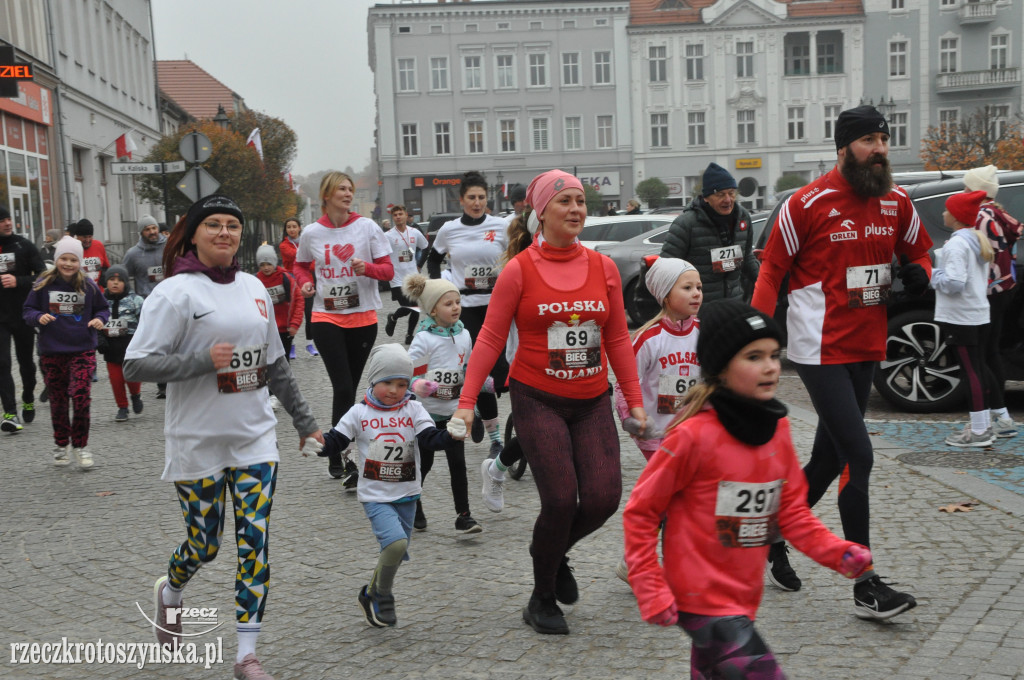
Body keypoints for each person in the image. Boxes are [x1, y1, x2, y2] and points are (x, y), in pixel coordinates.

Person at [122, 194, 323, 680]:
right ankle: (170, 591)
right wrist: (199, 361)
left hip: (255, 438)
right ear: (192, 233)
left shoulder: (255, 286)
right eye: (213, 224)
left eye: (232, 225)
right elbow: (135, 363)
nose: (224, 233)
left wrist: (304, 422)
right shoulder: (175, 293)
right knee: (205, 544)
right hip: (197, 439)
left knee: (254, 542)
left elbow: (273, 362)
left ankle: (246, 655)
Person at [623, 299, 872, 678]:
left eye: (774, 354)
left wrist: (837, 552)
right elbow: (641, 510)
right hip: (700, 597)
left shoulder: (778, 430)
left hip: (742, 596)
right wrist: (649, 583)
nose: (771, 366)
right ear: (721, 368)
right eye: (753, 357)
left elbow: (790, 512)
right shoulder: (693, 436)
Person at [751, 104, 931, 616]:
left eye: (884, 138)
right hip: (818, 346)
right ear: (843, 147)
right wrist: (752, 343)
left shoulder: (896, 201)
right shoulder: (806, 203)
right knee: (859, 455)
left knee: (829, 458)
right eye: (868, 140)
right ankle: (865, 582)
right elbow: (771, 274)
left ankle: (771, 535)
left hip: (867, 343)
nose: (879, 149)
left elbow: (918, 251)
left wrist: (920, 271)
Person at [452, 169, 648, 635]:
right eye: (565, 202)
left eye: (581, 201)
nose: (577, 209)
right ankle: (540, 598)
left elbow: (618, 337)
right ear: (541, 213)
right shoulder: (520, 269)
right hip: (537, 396)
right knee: (560, 500)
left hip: (592, 399)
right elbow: (490, 339)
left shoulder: (602, 269)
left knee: (602, 498)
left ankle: (552, 550)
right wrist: (465, 402)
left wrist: (634, 401)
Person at [318, 343, 459, 628]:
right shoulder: (358, 413)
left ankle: (369, 592)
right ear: (373, 380)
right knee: (394, 545)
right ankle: (383, 594)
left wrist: (451, 436)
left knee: (394, 549)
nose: (394, 390)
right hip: (375, 496)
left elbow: (430, 438)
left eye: (401, 384)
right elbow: (336, 440)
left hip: (407, 493)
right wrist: (318, 444)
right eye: (387, 383)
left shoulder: (414, 408)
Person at [292, 172, 393, 481]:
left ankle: (339, 449)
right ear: (327, 195)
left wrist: (369, 268)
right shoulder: (311, 233)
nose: (348, 194)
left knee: (350, 384)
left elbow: (388, 271)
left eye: (350, 189)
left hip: (363, 319)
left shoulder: (367, 228)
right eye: (342, 189)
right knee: (344, 387)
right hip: (326, 317)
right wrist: (306, 282)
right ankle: (341, 453)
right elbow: (299, 265)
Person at [611, 257, 703, 582]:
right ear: (665, 295)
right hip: (655, 432)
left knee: (673, 498)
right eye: (687, 287)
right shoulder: (648, 338)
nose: (696, 294)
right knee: (671, 497)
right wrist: (632, 419)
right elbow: (627, 383)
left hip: (690, 434)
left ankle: (633, 559)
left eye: (699, 287)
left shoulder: (704, 334)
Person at [427, 171, 509, 457]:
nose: (477, 203)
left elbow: (518, 258)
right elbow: (433, 259)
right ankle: (496, 438)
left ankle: (473, 402)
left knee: (502, 372)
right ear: (461, 200)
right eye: (472, 198)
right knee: (481, 371)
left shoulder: (501, 226)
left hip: (498, 305)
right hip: (467, 309)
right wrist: (439, 293)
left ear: (488, 199)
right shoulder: (450, 230)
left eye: (482, 198)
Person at [403, 273, 484, 534]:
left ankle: (464, 516)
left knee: (457, 465)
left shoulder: (465, 335)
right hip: (426, 414)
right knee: (423, 465)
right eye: (448, 304)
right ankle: (413, 502)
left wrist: (475, 408)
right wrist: (420, 385)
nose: (456, 307)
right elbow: (408, 372)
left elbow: (469, 371)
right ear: (433, 309)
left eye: (457, 302)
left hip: (454, 412)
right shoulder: (423, 338)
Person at [22, 236, 109, 468]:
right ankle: (61, 444)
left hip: (82, 350)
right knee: (58, 401)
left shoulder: (88, 286)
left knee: (81, 397)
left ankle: (80, 445)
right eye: (64, 259)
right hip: (52, 351)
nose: (68, 264)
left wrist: (100, 320)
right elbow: (28, 310)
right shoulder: (43, 284)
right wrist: (38, 317)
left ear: (79, 262)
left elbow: (103, 308)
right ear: (56, 259)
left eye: (73, 259)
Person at [933, 191, 996, 446]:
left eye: (947, 210)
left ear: (957, 217)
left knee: (970, 373)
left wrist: (933, 274)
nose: (943, 213)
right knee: (978, 370)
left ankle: (980, 431)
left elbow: (955, 283)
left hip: (961, 317)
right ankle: (984, 424)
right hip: (978, 314)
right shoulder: (975, 239)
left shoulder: (957, 244)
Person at [964, 165, 1022, 438]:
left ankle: (994, 416)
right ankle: (1001, 416)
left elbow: (977, 256)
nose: (963, 192)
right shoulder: (998, 211)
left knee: (979, 356)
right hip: (1003, 289)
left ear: (976, 191)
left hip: (986, 292)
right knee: (991, 352)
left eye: (966, 187)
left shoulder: (980, 216)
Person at [658, 163, 758, 302]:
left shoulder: (743, 218)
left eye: (731, 193)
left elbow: (747, 257)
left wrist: (764, 282)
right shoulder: (686, 224)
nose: (728, 200)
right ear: (706, 197)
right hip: (699, 308)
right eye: (720, 194)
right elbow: (667, 269)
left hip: (734, 304)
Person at [0, 205, 46, 432]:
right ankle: (10, 412)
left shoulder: (24, 246)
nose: (8, 223)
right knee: (2, 363)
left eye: (8, 218)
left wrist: (19, 281)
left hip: (23, 314)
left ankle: (28, 396)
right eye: (2, 220)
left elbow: (42, 276)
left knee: (26, 364)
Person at [97, 265, 144, 422]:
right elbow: (95, 320)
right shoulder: (100, 301)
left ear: (126, 283)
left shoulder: (136, 300)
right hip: (110, 347)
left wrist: (141, 341)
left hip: (130, 346)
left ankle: (135, 395)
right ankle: (122, 407)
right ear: (106, 282)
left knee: (131, 377)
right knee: (116, 379)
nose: (115, 283)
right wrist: (99, 338)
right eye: (111, 280)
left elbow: (145, 323)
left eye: (119, 280)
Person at [383, 205, 428, 346]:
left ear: (405, 215)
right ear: (393, 217)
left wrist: (419, 264)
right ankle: (393, 317)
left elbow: (426, 247)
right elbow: (381, 254)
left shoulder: (414, 232)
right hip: (397, 279)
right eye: (395, 214)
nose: (397, 217)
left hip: (413, 277)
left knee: (415, 308)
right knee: (408, 306)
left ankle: (409, 335)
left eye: (400, 214)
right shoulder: (388, 236)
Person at [255, 244, 304, 366]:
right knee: (266, 363)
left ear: (275, 263)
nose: (266, 268)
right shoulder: (255, 281)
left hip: (284, 330)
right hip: (264, 331)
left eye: (269, 264)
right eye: (262, 265)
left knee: (283, 363)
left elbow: (298, 300)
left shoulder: (285, 278)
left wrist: (295, 324)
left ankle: (284, 384)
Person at [278, 217, 315, 360]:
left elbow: (311, 265)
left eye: (294, 226)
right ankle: (291, 345)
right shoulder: (284, 245)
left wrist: (307, 259)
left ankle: (309, 344)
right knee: (290, 314)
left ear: (300, 228)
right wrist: (307, 255)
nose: (292, 229)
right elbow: (296, 256)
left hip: (306, 280)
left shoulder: (307, 244)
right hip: (290, 281)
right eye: (289, 227)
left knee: (309, 313)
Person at [121, 215, 167, 298]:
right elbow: (122, 277)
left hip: (169, 299)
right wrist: (133, 297)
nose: (152, 232)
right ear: (141, 233)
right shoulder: (132, 254)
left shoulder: (169, 247)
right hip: (146, 302)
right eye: (147, 229)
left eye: (154, 228)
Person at [70, 219, 110, 288]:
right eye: (84, 237)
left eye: (90, 236)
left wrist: (103, 279)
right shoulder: (71, 248)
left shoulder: (98, 245)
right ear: (77, 236)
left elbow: (106, 267)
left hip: (98, 292)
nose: (87, 240)